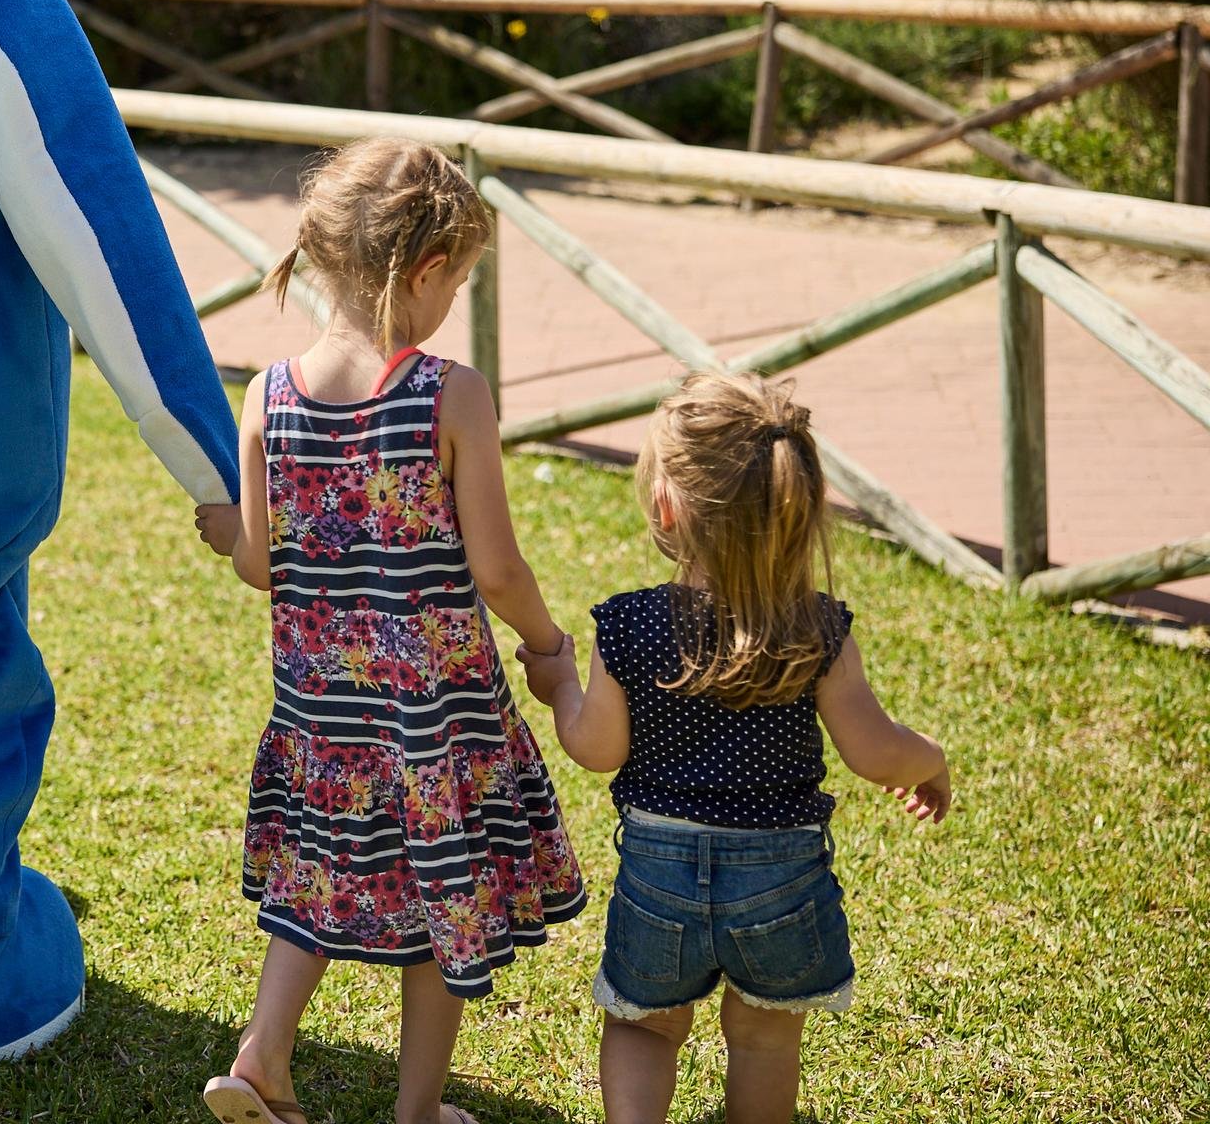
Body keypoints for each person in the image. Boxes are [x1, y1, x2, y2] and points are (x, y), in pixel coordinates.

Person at [197, 138, 585, 1124]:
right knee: (440, 908)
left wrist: (226, 532)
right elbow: (496, 568)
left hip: (320, 714)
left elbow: (259, 562)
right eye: (458, 279)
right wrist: (547, 643)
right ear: (425, 272)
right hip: (435, 718)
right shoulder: (450, 394)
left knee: (316, 878)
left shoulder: (267, 396)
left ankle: (261, 1059)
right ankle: (415, 1114)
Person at [515, 371, 950, 1124]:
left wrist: (560, 689)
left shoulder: (631, 625)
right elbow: (875, 751)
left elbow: (595, 747)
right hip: (783, 879)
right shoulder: (817, 628)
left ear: (666, 507)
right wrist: (930, 759)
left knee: (644, 1028)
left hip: (659, 874)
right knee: (765, 1041)